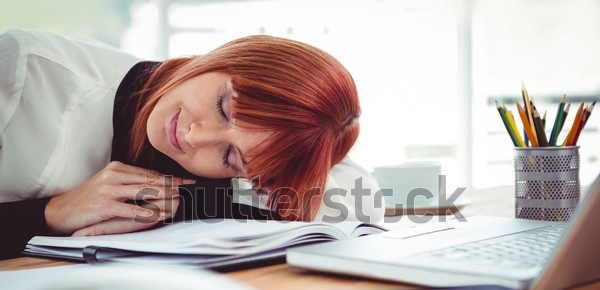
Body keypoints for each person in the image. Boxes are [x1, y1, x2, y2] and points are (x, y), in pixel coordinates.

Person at [0, 29, 384, 260]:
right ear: (233, 55)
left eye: (230, 156)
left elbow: (361, 196)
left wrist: (182, 203)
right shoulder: (30, 71)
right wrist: (53, 213)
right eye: (223, 107)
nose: (195, 137)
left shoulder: (228, 172)